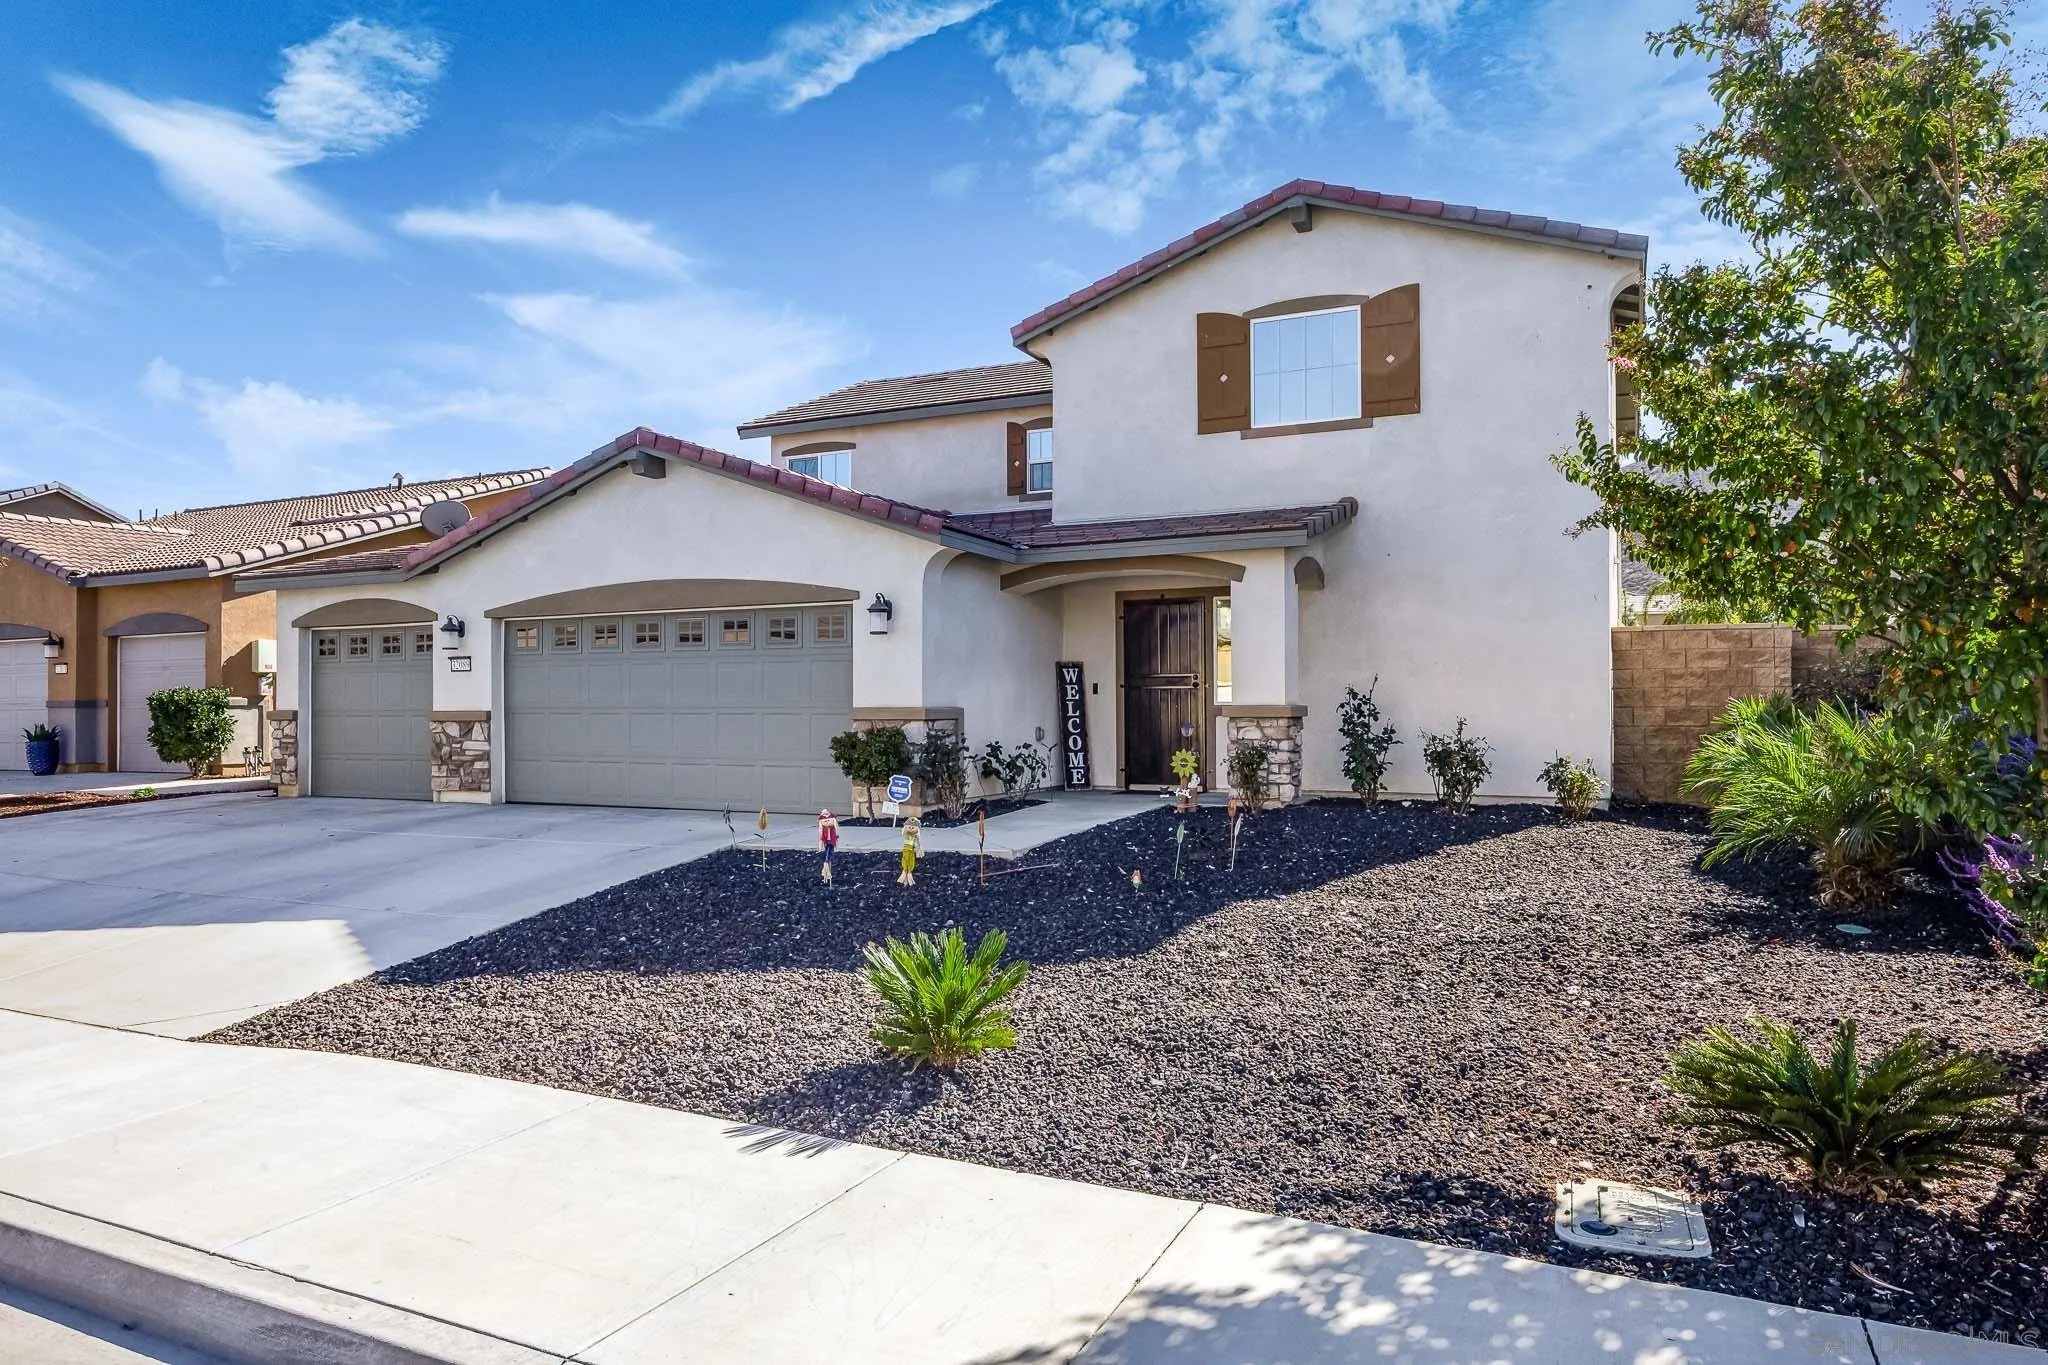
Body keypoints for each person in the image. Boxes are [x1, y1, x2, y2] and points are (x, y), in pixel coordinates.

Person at [897, 817, 922, 887]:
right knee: (905, 859)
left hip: (911, 850)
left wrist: (917, 848)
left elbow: (917, 844)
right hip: (906, 849)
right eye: (909, 827)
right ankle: (905, 872)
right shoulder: (906, 835)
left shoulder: (915, 838)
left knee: (910, 860)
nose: (911, 829)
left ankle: (908, 872)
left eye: (912, 828)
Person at [817, 809, 839, 883]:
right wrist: (820, 839)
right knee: (827, 854)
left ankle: (828, 866)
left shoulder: (832, 825)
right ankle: (827, 867)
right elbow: (821, 833)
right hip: (826, 841)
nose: (827, 822)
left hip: (831, 841)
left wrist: (836, 835)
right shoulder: (823, 825)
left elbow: (836, 830)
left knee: (829, 854)